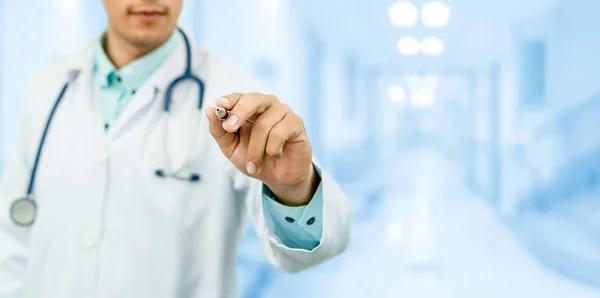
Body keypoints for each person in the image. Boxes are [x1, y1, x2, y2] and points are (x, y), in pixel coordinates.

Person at [0, 1, 351, 297]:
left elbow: (309, 251)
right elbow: (12, 237)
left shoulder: (234, 98)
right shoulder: (50, 86)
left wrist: (293, 188)